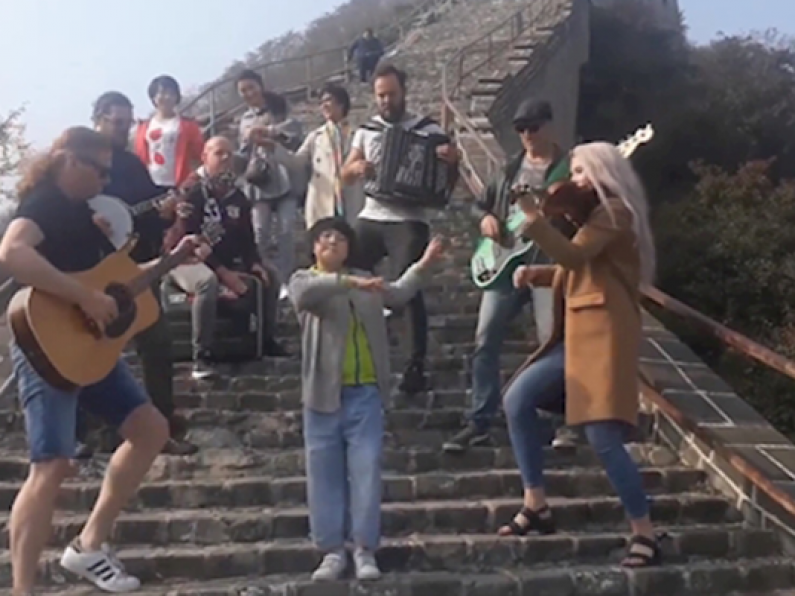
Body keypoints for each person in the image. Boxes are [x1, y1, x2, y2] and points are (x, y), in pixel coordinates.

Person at [0, 127, 205, 594]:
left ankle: (89, 545)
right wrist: (84, 297)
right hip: (46, 343)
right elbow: (12, 251)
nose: (106, 179)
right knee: (50, 466)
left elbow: (116, 283)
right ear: (69, 161)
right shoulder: (45, 204)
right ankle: (22, 589)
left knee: (151, 429)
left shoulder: (87, 213)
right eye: (100, 170)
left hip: (89, 348)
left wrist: (171, 260)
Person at [499, 142, 661, 568]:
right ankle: (536, 503)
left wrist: (534, 218)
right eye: (571, 173)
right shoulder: (593, 219)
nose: (573, 182)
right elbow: (578, 267)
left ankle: (644, 532)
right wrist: (535, 274)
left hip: (605, 337)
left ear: (603, 172)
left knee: (603, 437)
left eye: (580, 172)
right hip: (576, 337)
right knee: (517, 400)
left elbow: (574, 254)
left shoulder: (615, 214)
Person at [289, 217, 445, 582]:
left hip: (366, 392)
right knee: (323, 473)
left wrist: (425, 263)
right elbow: (306, 296)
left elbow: (399, 293)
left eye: (339, 238)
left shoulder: (365, 282)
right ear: (313, 246)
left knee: (366, 471)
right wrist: (350, 281)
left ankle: (363, 547)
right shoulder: (304, 280)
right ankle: (330, 550)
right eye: (324, 237)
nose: (331, 241)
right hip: (322, 394)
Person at [443, 98, 578, 453]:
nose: (527, 135)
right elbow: (480, 205)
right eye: (521, 129)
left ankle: (565, 421)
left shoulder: (569, 170)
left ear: (549, 125)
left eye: (533, 127)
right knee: (484, 340)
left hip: (547, 267)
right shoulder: (508, 170)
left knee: (554, 342)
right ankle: (480, 420)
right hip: (503, 266)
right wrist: (484, 219)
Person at [342, 63, 459, 395]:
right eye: (380, 95)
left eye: (391, 94)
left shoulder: (430, 130)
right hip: (371, 214)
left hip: (410, 218)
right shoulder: (367, 130)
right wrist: (356, 167)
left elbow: (447, 187)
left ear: (403, 92)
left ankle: (414, 366)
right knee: (346, 270)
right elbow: (344, 174)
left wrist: (452, 161)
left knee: (409, 285)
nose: (385, 101)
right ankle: (349, 351)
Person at [92, 91, 197, 456]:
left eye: (126, 122)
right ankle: (98, 432)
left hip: (135, 269)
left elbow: (149, 209)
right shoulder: (82, 161)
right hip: (91, 273)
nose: (123, 129)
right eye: (116, 123)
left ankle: (162, 427)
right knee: (96, 349)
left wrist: (167, 210)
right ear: (99, 119)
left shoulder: (132, 164)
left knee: (158, 343)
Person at [163, 136, 288, 379]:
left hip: (222, 260)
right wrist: (224, 274)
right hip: (184, 259)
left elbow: (247, 240)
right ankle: (202, 356)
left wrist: (254, 263)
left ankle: (267, 339)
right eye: (219, 153)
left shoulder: (238, 197)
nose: (225, 159)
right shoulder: (192, 192)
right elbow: (193, 243)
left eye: (229, 154)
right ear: (205, 158)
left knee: (271, 274)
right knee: (206, 282)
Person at [236, 69, 306, 300]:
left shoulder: (279, 106)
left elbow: (296, 131)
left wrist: (268, 131)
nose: (248, 94)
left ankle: (286, 278)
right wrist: (248, 139)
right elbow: (242, 153)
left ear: (260, 86)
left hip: (284, 174)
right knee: (259, 231)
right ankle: (266, 275)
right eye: (243, 91)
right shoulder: (244, 119)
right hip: (259, 180)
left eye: (251, 88)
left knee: (286, 230)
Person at [283, 83, 364, 228]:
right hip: (323, 201)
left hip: (350, 199)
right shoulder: (315, 137)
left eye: (328, 100)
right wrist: (275, 149)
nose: (324, 106)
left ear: (341, 103)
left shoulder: (358, 134)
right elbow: (296, 162)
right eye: (321, 102)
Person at [133, 75, 204, 189]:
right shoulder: (143, 127)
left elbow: (201, 155)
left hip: (179, 185)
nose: (167, 97)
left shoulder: (188, 125)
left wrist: (193, 180)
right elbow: (139, 158)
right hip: (150, 185)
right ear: (153, 97)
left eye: (171, 93)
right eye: (161, 92)